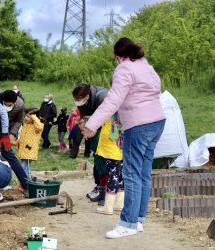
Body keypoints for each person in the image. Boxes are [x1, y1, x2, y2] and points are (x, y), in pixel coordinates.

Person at [83, 37, 166, 238]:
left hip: (138, 126)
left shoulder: (124, 68)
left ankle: (127, 223)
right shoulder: (147, 67)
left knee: (131, 175)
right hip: (157, 122)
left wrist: (91, 124)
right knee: (144, 173)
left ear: (120, 56)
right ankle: (138, 219)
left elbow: (113, 100)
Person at [72, 83, 108, 204]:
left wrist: (91, 127)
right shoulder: (83, 101)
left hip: (107, 131)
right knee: (97, 159)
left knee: (103, 160)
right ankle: (100, 186)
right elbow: (83, 116)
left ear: (87, 96)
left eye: (78, 100)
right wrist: (83, 126)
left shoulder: (102, 96)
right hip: (94, 129)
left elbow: (106, 116)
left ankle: (107, 191)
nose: (77, 102)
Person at [0, 90, 29, 190]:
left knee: (8, 154)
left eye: (9, 105)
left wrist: (12, 134)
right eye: (5, 104)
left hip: (7, 131)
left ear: (15, 102)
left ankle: (26, 184)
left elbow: (19, 120)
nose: (7, 106)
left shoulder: (20, 105)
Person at [95, 112, 124, 215]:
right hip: (120, 150)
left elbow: (108, 133)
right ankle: (119, 204)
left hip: (111, 150)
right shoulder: (122, 112)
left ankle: (108, 207)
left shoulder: (111, 113)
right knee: (120, 177)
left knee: (113, 177)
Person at [12, 108, 44, 179]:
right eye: (26, 116)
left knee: (24, 168)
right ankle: (30, 180)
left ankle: (26, 182)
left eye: (28, 116)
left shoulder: (38, 126)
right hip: (23, 151)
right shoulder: (26, 126)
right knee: (26, 168)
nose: (26, 118)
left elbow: (39, 127)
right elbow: (21, 140)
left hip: (30, 151)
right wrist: (13, 143)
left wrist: (33, 116)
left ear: (35, 117)